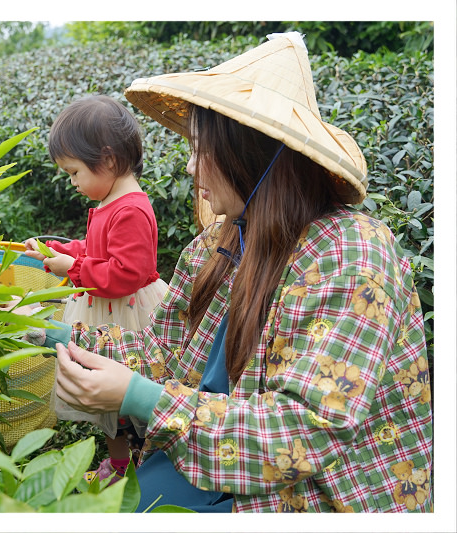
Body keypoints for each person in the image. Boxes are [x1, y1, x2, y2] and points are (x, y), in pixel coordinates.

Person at [23, 33, 434, 512]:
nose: (192, 166)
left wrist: (144, 400)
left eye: (201, 149)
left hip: (309, 496)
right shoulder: (216, 247)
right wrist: (43, 331)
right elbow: (165, 351)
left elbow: (303, 432)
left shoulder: (352, 255)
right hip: (211, 465)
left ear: (251, 155)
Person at [22, 94, 169, 484]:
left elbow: (127, 274)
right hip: (104, 309)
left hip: (126, 315)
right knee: (107, 401)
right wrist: (57, 251)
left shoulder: (131, 208)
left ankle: (139, 463)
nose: (72, 182)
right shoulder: (110, 201)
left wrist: (74, 268)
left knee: (121, 395)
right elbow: (96, 251)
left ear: (105, 160)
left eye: (73, 172)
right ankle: (119, 465)